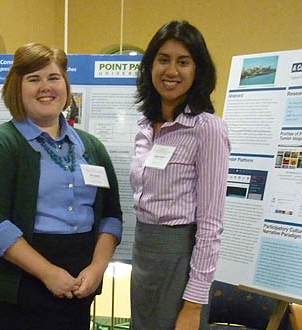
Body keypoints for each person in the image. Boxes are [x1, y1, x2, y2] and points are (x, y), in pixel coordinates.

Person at [0, 43, 123, 330]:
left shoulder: (91, 147)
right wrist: (48, 273)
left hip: (76, 288)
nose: (45, 87)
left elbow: (112, 217)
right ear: (17, 87)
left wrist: (97, 269)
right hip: (13, 293)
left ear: (66, 85)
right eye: (33, 79)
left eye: (53, 78)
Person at [130, 21, 230, 330]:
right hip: (144, 255)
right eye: (163, 59)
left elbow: (211, 224)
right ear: (150, 66)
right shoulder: (145, 126)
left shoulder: (207, 129)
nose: (171, 70)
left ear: (198, 69)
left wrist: (193, 304)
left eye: (183, 61)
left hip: (180, 260)